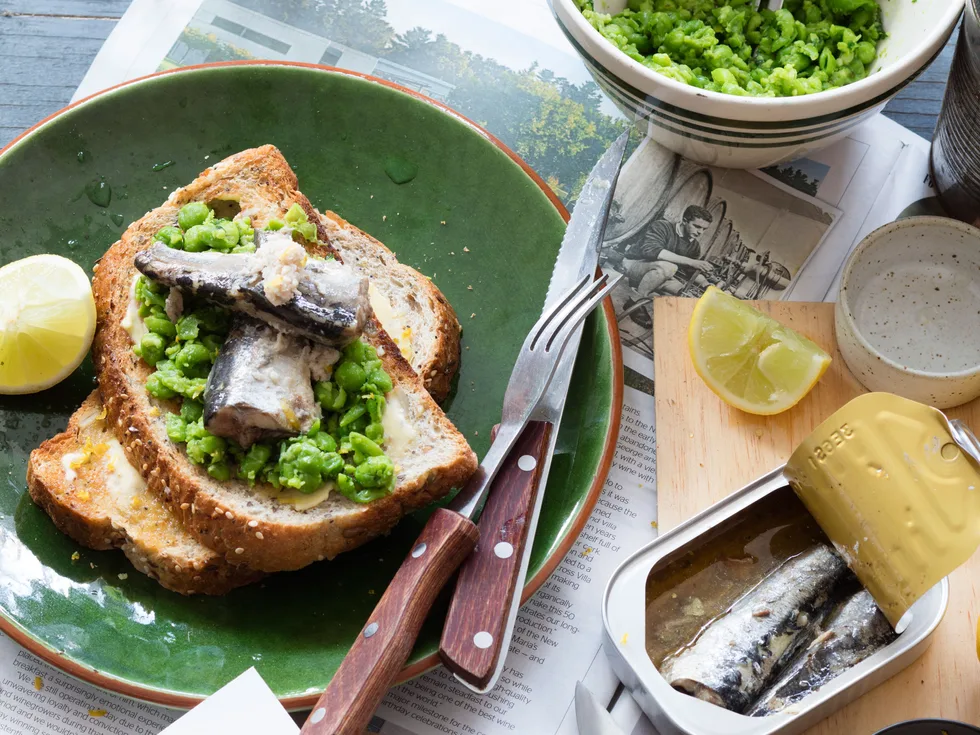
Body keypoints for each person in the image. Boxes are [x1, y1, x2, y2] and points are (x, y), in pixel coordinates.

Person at [621, 205, 714, 326]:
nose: (700, 232)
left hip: (660, 273)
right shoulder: (662, 226)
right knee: (669, 267)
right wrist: (691, 261)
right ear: (684, 221)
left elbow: (691, 271)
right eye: (697, 226)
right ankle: (635, 301)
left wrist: (706, 285)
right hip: (634, 264)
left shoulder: (694, 245)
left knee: (686, 294)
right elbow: (651, 250)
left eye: (704, 229)